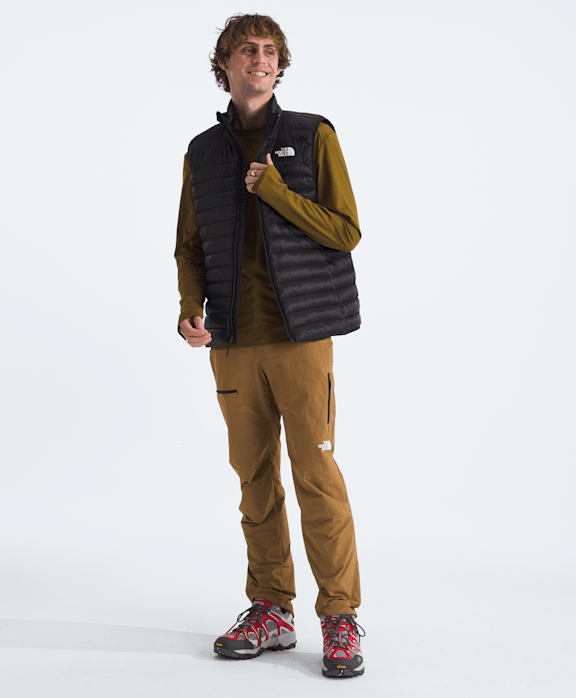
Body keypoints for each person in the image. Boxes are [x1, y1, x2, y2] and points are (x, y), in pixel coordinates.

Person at [174, 13, 365, 678]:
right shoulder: (202, 151)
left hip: (300, 336)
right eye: (246, 50)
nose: (260, 59)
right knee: (254, 481)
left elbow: (346, 231)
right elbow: (189, 246)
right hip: (232, 340)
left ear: (280, 65)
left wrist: (277, 193)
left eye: (270, 50)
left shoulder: (312, 135)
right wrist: (189, 309)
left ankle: (339, 615)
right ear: (224, 64)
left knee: (316, 476)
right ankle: (271, 609)